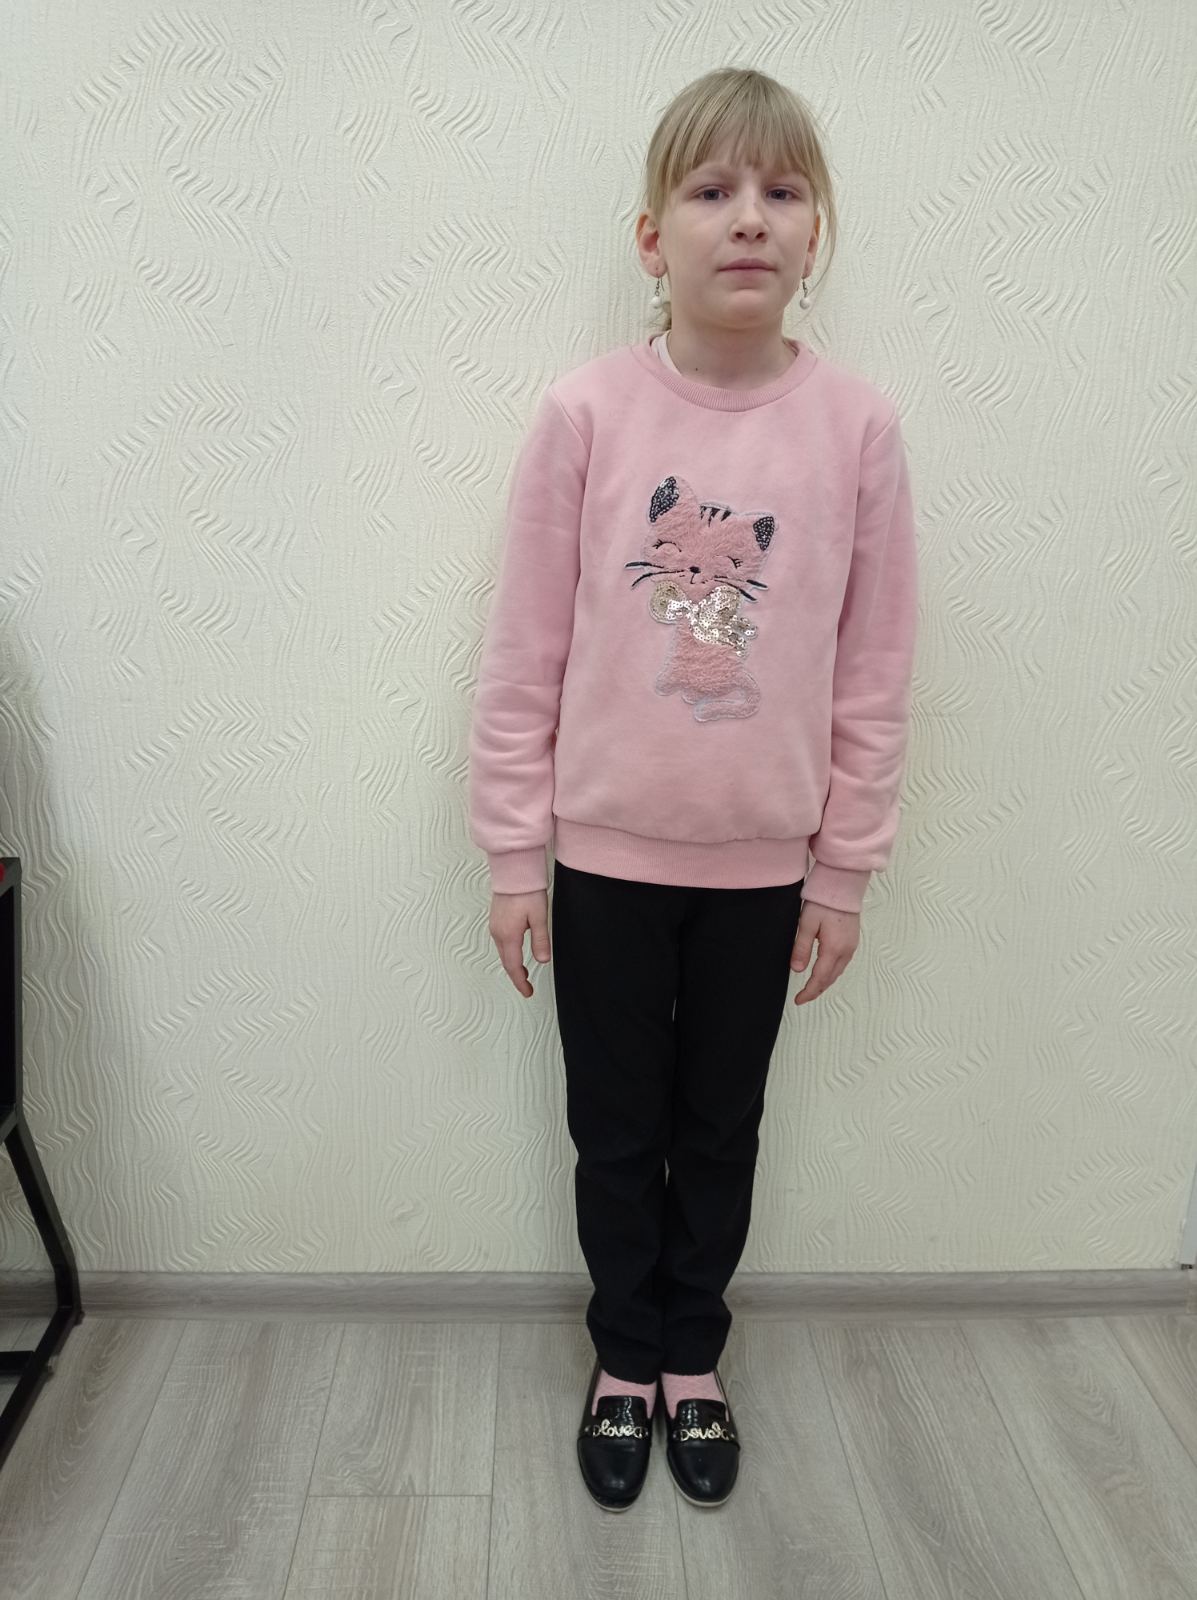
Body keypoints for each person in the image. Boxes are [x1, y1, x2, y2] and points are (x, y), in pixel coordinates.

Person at [467, 65, 918, 1511]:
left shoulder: (857, 433)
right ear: (652, 236)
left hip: (764, 870)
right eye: (713, 190)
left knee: (721, 1128)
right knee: (615, 1130)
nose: (750, 218)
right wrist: (513, 854)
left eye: (782, 191)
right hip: (601, 862)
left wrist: (843, 870)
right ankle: (621, 1356)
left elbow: (873, 670)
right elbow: (524, 652)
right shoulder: (585, 416)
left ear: (816, 231)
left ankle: (691, 1362)